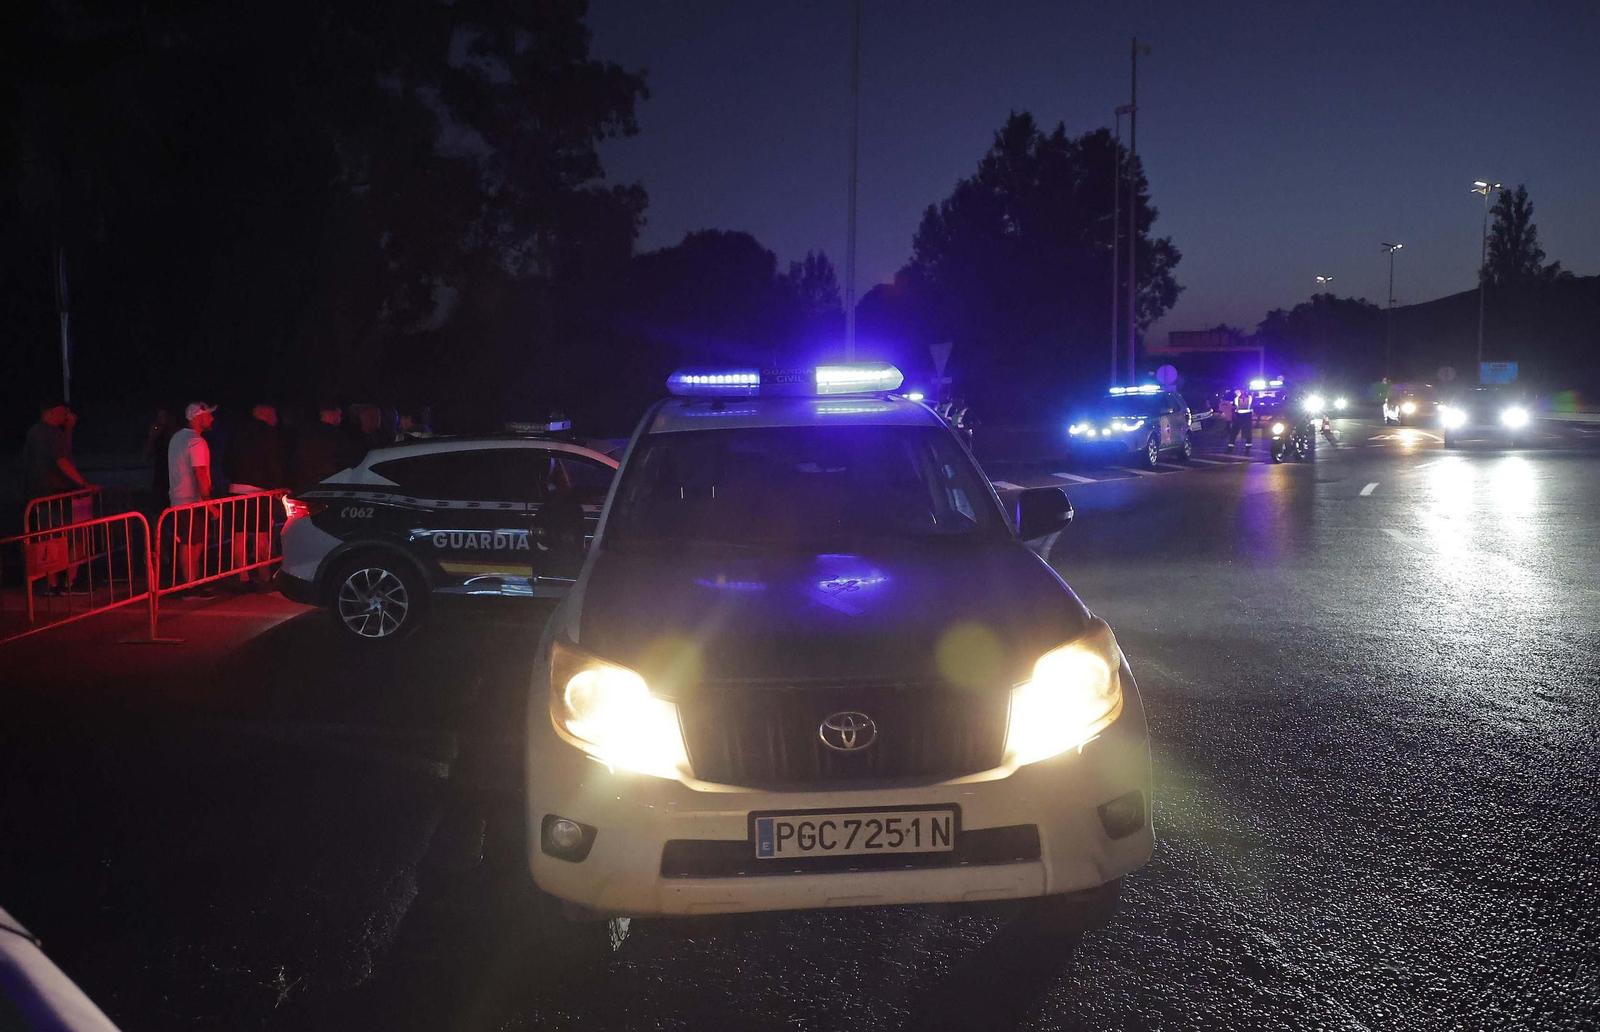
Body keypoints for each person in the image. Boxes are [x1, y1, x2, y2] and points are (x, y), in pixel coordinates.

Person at [21, 398, 92, 594]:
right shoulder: (47, 433)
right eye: (61, 412)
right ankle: (64, 581)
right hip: (52, 494)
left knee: (50, 538)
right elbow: (63, 461)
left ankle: (53, 583)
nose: (64, 416)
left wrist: (68, 430)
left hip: (42, 495)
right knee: (64, 538)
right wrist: (83, 483)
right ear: (50, 412)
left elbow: (64, 453)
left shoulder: (40, 432)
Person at [224, 402, 286, 585]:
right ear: (265, 414)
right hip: (259, 492)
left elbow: (226, 462)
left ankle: (242, 576)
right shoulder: (268, 434)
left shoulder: (236, 433)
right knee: (261, 535)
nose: (276, 418)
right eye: (273, 414)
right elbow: (273, 462)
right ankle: (264, 575)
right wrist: (278, 485)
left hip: (236, 490)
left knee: (239, 535)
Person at [168, 402, 218, 593]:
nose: (211, 419)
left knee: (192, 542)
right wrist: (209, 504)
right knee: (192, 543)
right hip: (191, 501)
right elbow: (200, 473)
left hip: (180, 499)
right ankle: (190, 586)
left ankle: (193, 582)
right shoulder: (196, 441)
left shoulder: (177, 438)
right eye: (208, 415)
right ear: (197, 417)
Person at [292, 403, 355, 489]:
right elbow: (345, 458)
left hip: (308, 481)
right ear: (332, 415)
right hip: (331, 480)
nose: (340, 418)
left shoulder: (306, 434)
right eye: (339, 415)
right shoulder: (336, 435)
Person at [144, 408, 177, 509]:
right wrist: (152, 436)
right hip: (160, 476)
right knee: (158, 506)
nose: (161, 419)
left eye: (164, 416)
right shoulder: (156, 435)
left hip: (173, 476)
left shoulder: (175, 434)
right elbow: (146, 455)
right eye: (159, 417)